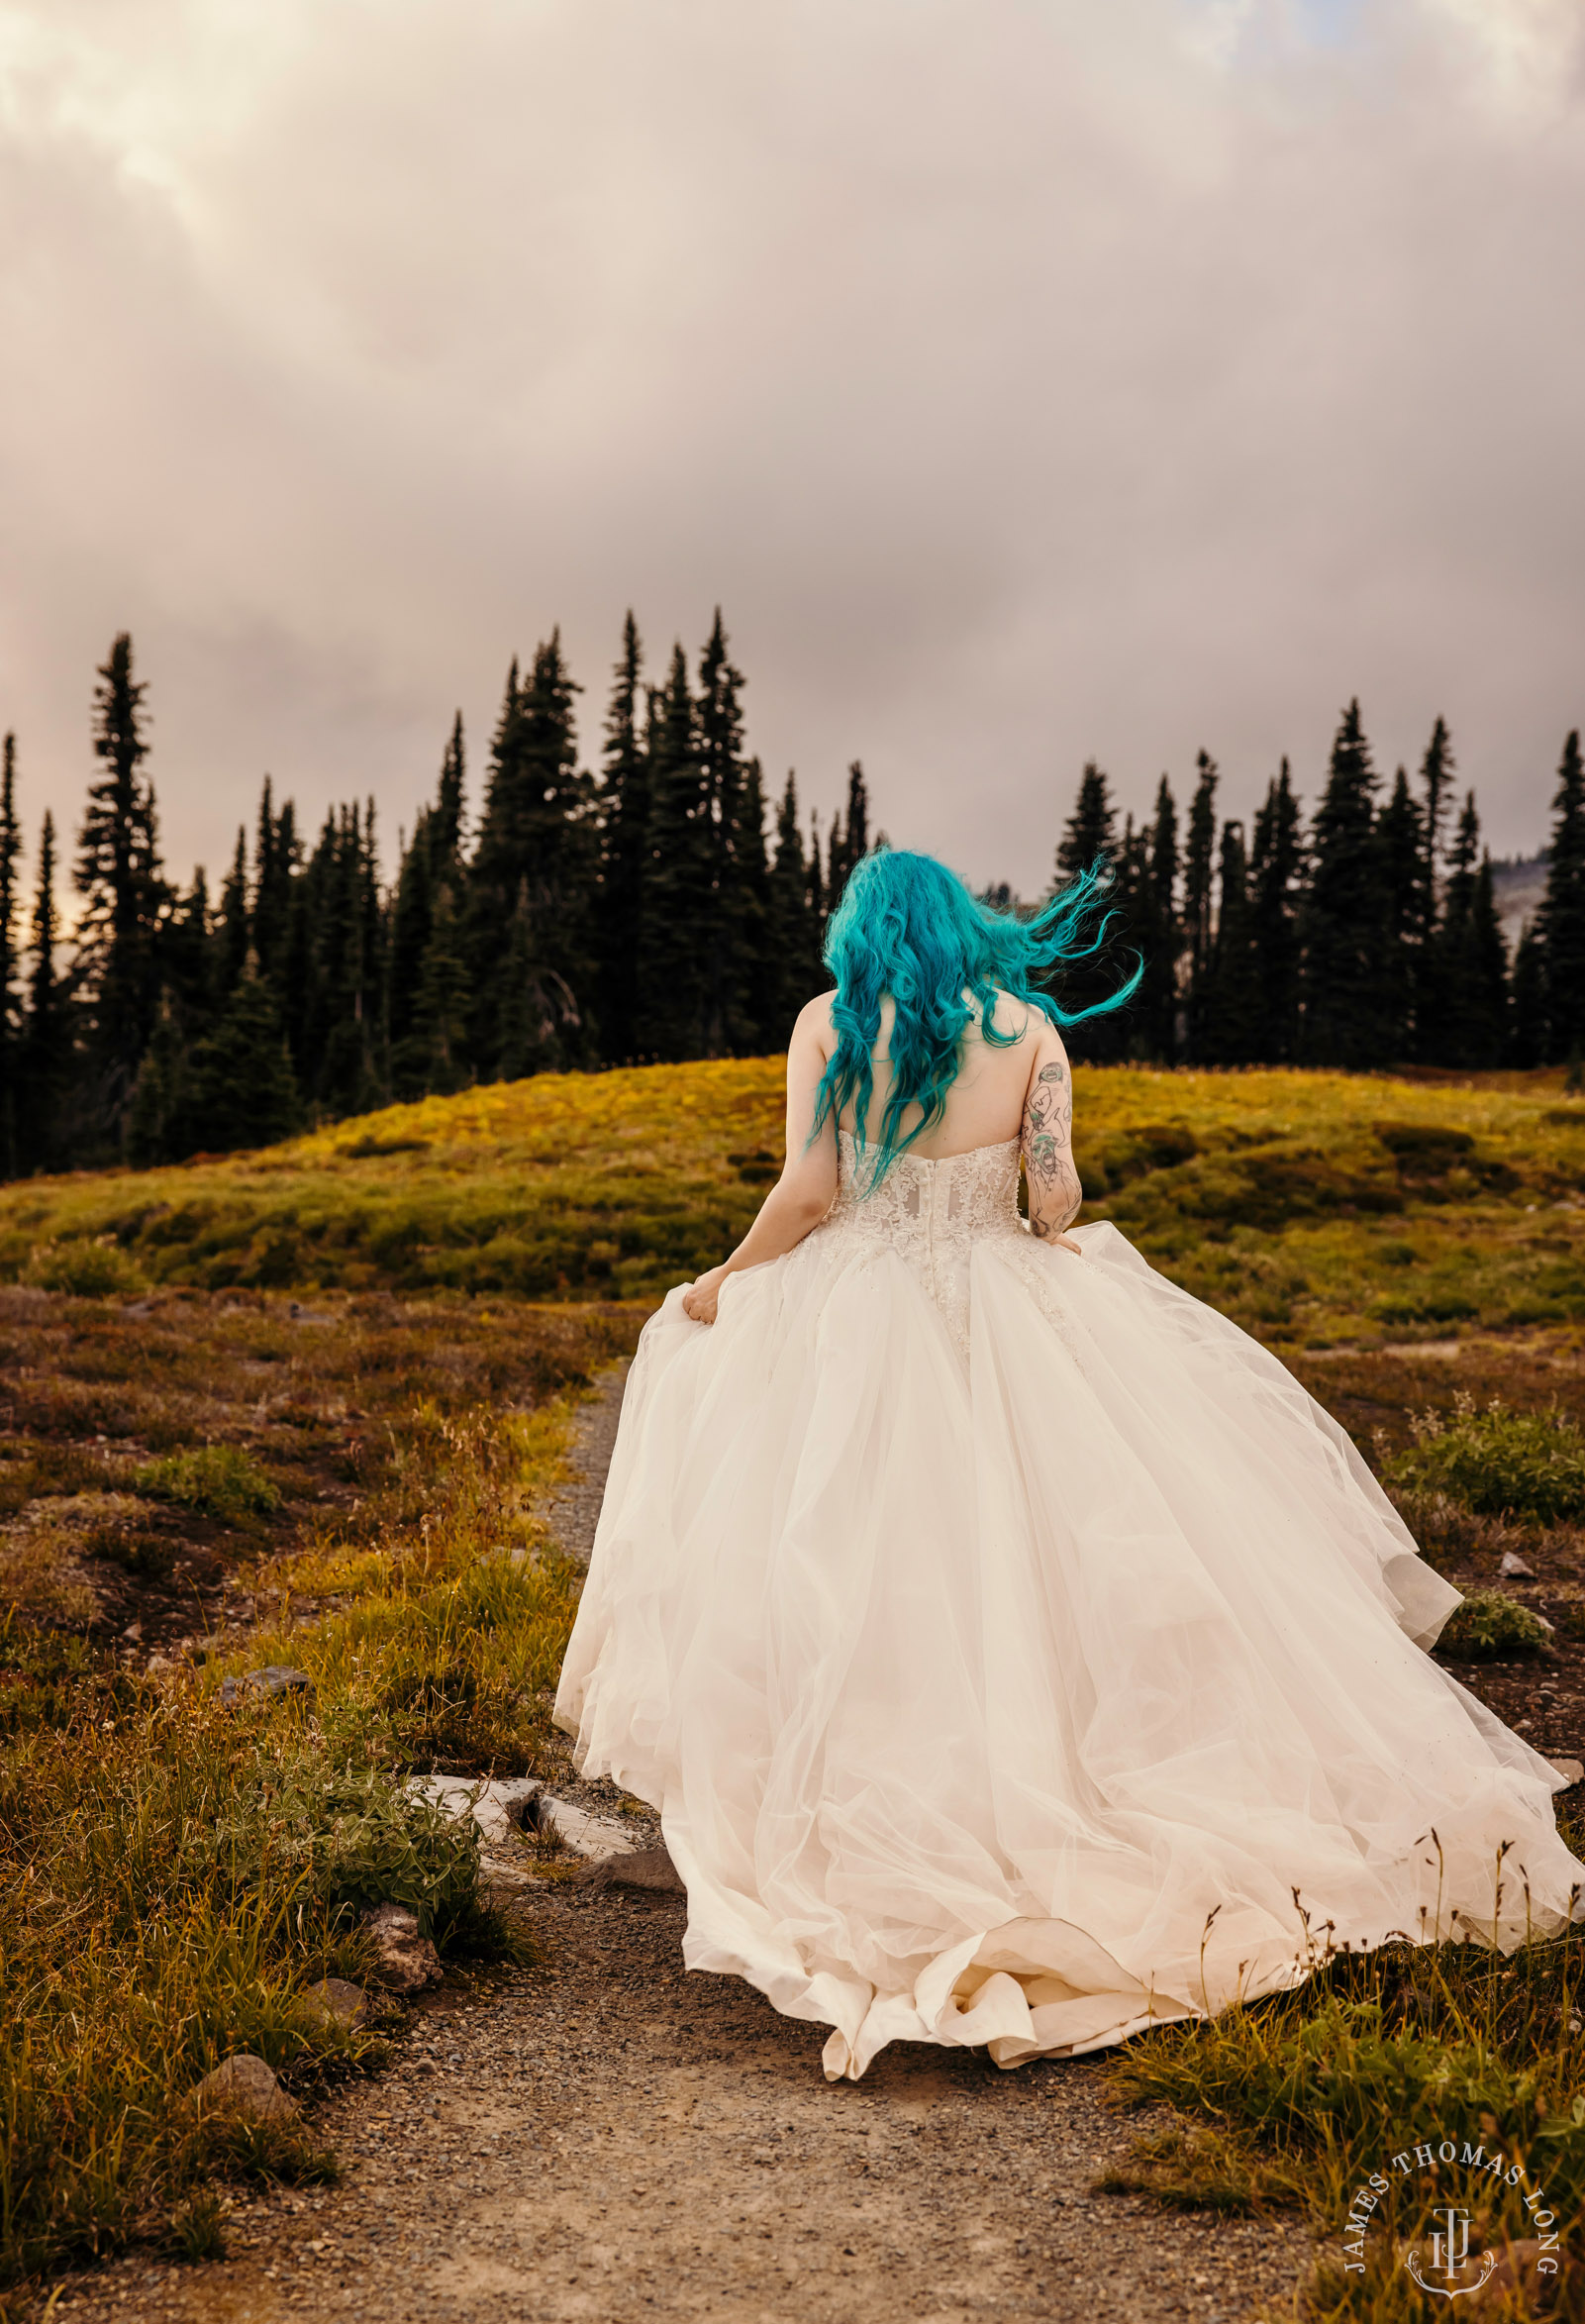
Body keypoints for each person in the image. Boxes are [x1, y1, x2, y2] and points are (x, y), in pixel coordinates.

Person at [554, 849, 1583, 2081]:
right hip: (1007, 1316)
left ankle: (860, 1811)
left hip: (858, 1317)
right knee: (1051, 1567)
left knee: (850, 1561)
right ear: (966, 928)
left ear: (859, 933)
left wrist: (722, 1281)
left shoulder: (828, 1024)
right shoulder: (1031, 1030)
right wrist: (1007, 1205)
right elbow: (1052, 1202)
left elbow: (811, 1190)